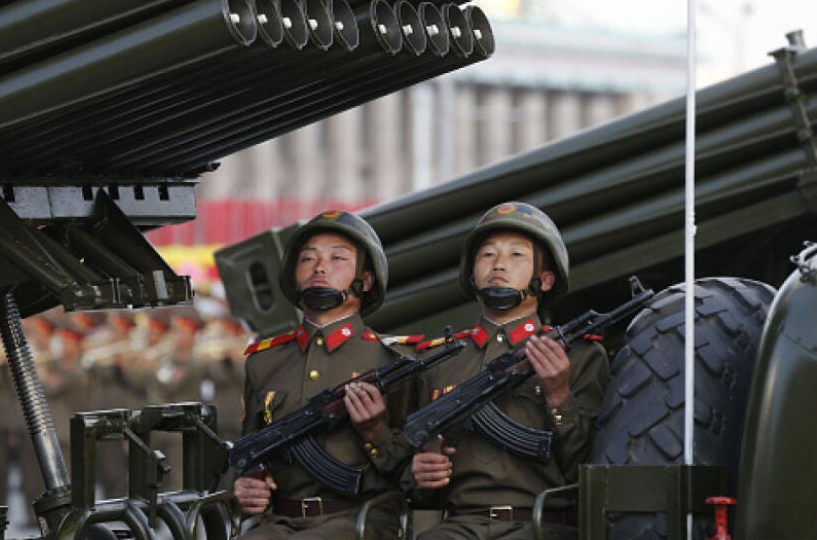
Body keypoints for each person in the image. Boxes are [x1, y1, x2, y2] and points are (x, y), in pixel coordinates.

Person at [408, 202, 609, 540]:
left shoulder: (580, 355)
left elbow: (589, 467)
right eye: (487, 254)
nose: (498, 264)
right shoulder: (440, 359)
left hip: (542, 525)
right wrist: (420, 472)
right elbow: (404, 475)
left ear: (545, 280)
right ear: (472, 275)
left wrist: (559, 395)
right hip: (459, 526)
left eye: (516, 255)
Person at [234, 210, 420, 540]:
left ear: (366, 280)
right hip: (279, 523)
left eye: (338, 258)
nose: (320, 267)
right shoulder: (264, 362)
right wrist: (247, 483)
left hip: (360, 521)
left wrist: (375, 433)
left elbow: (414, 476)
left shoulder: (394, 361)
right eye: (308, 258)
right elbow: (247, 451)